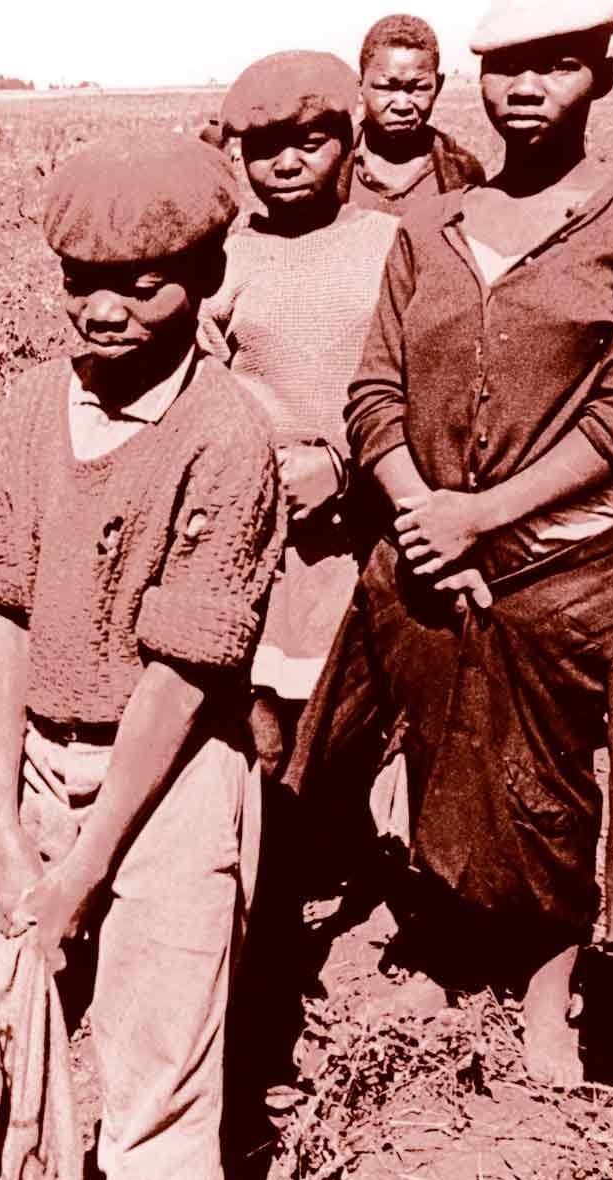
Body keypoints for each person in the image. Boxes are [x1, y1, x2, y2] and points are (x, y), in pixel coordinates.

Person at [288, 0, 613, 1085]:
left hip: (562, 565)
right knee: (436, 751)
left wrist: (482, 513)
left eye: (555, 67)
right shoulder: (428, 227)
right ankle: (440, 939)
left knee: (551, 781)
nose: (525, 90)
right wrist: (423, 510)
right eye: (507, 69)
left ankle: (546, 983)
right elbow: (373, 388)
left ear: (601, 78)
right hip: (429, 556)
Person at [0, 134, 280, 1180]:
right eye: (82, 278)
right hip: (34, 762)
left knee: (154, 1080)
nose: (102, 308)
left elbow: (183, 675)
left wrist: (79, 872)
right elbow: (1, 613)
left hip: (170, 775)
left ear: (204, 278)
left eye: (142, 283)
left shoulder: (227, 434)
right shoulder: (32, 412)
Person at [211, 50, 400, 771]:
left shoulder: (389, 246)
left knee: (359, 701)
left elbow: (419, 383)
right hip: (259, 517)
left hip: (364, 508)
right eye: (262, 149)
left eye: (310, 142)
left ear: (351, 142)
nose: (285, 164)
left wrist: (344, 470)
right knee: (260, 706)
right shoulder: (225, 261)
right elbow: (205, 388)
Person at [348, 13, 487, 215]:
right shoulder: (333, 164)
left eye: (418, 88)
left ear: (438, 86)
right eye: (386, 87)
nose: (402, 105)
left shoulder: (462, 170)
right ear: (361, 86)